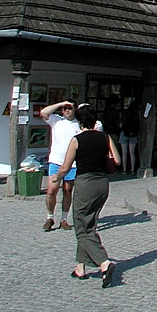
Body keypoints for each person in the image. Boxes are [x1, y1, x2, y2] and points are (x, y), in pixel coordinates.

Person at [51, 104, 120, 288]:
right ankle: (80, 267)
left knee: (81, 228)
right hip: (102, 184)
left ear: (80, 120)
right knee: (89, 224)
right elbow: (118, 160)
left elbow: (66, 167)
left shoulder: (77, 140)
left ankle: (104, 263)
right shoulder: (105, 137)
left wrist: (56, 176)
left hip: (86, 183)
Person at [40, 100, 81, 231]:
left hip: (72, 163)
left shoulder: (79, 124)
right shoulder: (56, 120)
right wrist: (61, 103)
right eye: (65, 108)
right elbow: (43, 112)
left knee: (67, 191)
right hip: (56, 161)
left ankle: (64, 219)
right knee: (51, 190)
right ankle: (50, 217)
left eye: (69, 108)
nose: (67, 111)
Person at [119, 101, 140, 174]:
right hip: (133, 135)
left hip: (124, 133)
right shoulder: (136, 116)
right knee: (132, 153)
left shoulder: (125, 114)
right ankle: (132, 169)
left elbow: (121, 125)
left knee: (124, 153)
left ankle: (124, 169)